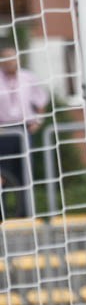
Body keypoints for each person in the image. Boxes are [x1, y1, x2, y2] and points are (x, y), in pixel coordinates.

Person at [0, 46, 48, 217]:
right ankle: (3, 215)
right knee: (2, 175)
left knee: (24, 172)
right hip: (3, 131)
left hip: (23, 129)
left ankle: (26, 214)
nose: (9, 61)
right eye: (5, 58)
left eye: (12, 57)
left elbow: (41, 100)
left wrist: (38, 121)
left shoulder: (28, 78)